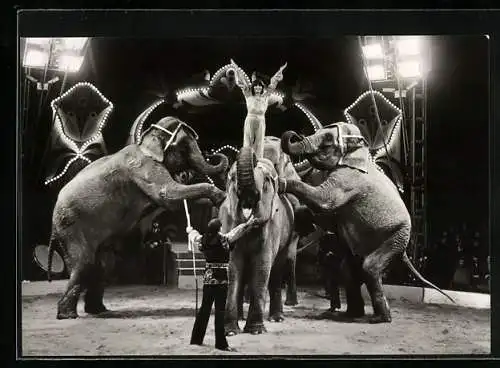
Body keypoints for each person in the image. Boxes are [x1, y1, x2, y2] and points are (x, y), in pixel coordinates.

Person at [188, 216, 261, 351]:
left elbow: (194, 237)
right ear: (218, 229)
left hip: (208, 279)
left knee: (204, 309)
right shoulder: (224, 240)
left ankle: (196, 339)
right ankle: (220, 344)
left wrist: (190, 231)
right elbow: (237, 231)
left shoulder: (203, 240)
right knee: (220, 312)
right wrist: (249, 223)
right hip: (221, 280)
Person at [230, 59, 287, 160]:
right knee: (248, 140)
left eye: (259, 87)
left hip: (261, 119)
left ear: (262, 88)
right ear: (253, 88)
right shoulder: (248, 95)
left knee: (259, 142)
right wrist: (236, 68)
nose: (257, 88)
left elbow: (273, 83)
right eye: (255, 87)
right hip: (250, 118)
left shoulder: (265, 96)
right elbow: (241, 82)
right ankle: (246, 159)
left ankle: (259, 160)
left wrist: (280, 70)